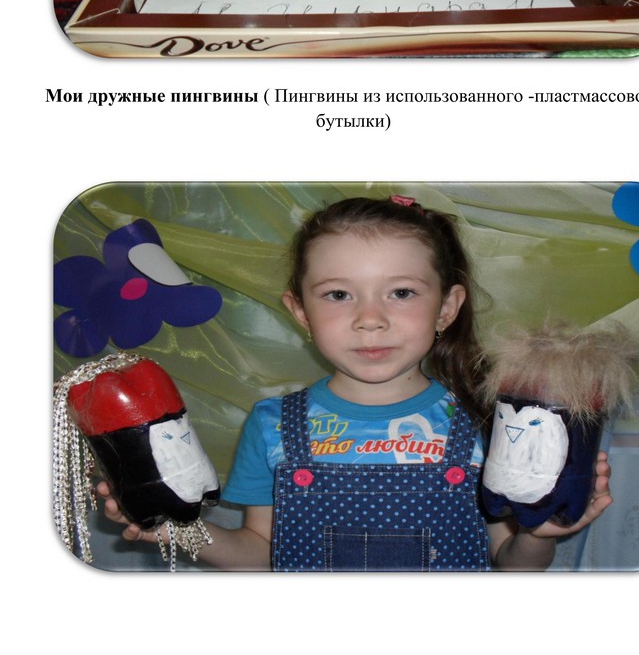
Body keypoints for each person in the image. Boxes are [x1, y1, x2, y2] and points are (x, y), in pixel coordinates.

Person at [101, 195, 612, 571]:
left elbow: (511, 564)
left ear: (447, 308)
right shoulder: (271, 425)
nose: (370, 319)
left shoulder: (486, 423)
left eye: (402, 292)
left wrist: (539, 536)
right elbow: (260, 554)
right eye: (339, 295)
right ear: (301, 312)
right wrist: (178, 530)